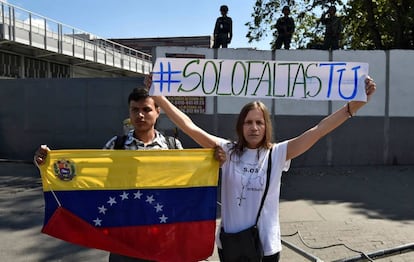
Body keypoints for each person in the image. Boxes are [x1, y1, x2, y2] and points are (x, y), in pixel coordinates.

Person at [145, 75, 376, 261]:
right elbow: (190, 127)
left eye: (259, 122)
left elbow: (318, 130)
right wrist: (160, 98)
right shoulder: (227, 150)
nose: (253, 128)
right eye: (248, 122)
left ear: (266, 126)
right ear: (240, 126)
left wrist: (352, 107)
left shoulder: (277, 153)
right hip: (231, 245)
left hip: (265, 249)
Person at [34, 87, 185, 262]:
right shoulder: (116, 146)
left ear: (158, 112)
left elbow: (187, 184)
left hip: (163, 235)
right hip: (124, 238)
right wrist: (47, 163)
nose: (140, 115)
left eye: (146, 109)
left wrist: (214, 161)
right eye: (135, 110)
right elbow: (88, 177)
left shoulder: (172, 147)